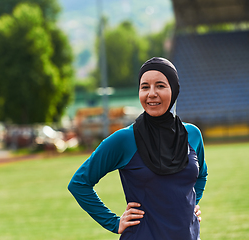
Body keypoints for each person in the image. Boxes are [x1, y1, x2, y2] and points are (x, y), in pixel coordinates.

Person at [68, 57, 208, 240]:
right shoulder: (124, 139)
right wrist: (114, 222)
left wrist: (192, 205)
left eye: (160, 86)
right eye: (145, 87)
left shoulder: (193, 135)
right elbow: (79, 183)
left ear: (174, 90)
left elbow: (201, 175)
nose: (151, 93)